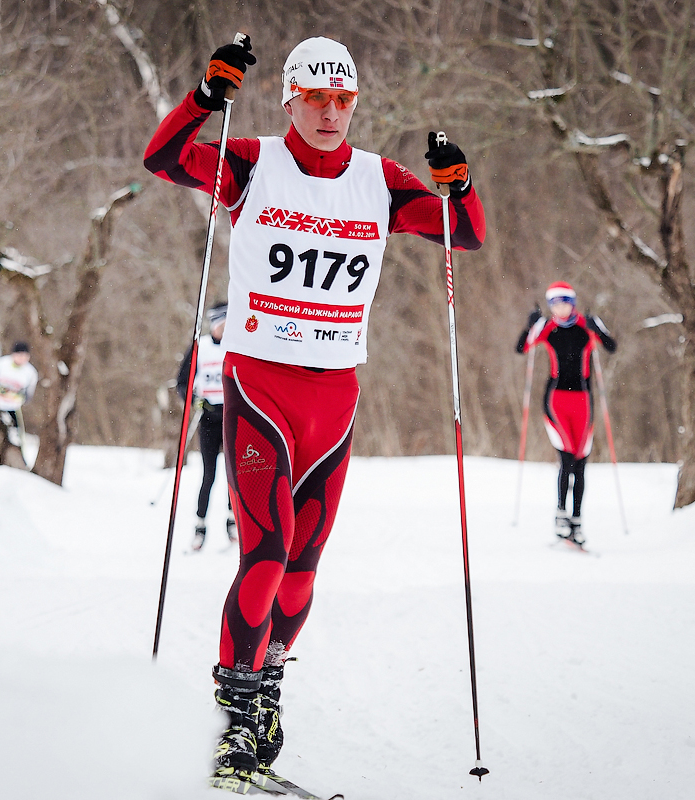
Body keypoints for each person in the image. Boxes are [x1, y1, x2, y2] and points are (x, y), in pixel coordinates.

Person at [145, 35, 485, 776]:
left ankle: (267, 688)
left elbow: (465, 233)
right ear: (289, 100)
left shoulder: (379, 180)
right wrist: (206, 98)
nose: (331, 112)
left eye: (343, 99)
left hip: (334, 395)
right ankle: (233, 716)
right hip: (261, 383)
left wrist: (459, 185)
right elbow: (163, 159)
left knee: (302, 564)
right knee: (265, 551)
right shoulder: (252, 163)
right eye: (316, 98)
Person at [515, 281, 616, 546]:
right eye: (555, 304)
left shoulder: (586, 324)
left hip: (583, 401)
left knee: (581, 463)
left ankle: (577, 522)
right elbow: (521, 348)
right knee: (567, 459)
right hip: (556, 401)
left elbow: (611, 346)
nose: (560, 309)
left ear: (572, 303)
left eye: (565, 303)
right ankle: (561, 515)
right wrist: (529, 325)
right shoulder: (547, 328)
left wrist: (597, 329)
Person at [176, 304, 236, 550]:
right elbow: (182, 382)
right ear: (214, 325)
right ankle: (200, 527)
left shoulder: (236, 346)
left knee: (233, 474)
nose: (226, 330)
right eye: (222, 325)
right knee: (209, 474)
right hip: (209, 417)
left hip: (232, 418)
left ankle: (232, 522)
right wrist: (193, 400)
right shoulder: (201, 346)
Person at [0, 342, 39, 462]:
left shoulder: (31, 372)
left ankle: (16, 460)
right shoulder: (0, 364)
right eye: (19, 355)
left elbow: (28, 396)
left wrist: (18, 396)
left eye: (25, 355)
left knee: (16, 435)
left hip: (13, 408)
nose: (22, 358)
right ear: (13, 354)